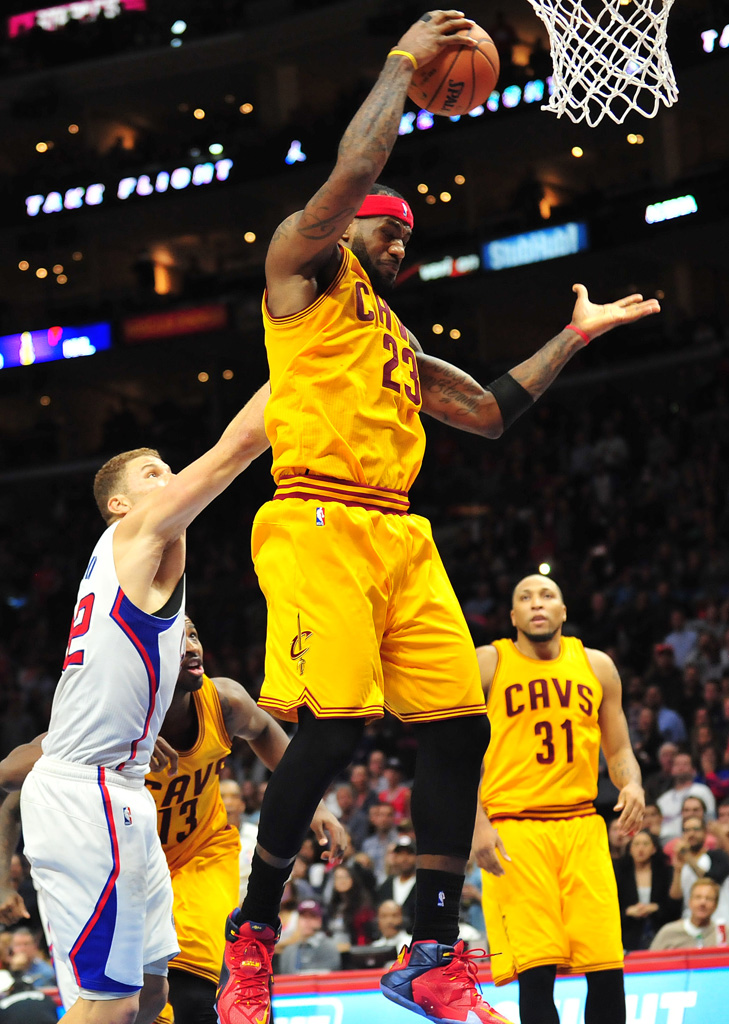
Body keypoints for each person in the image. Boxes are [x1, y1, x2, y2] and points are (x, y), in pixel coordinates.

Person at [215, 10, 660, 1024]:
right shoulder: (300, 273)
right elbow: (355, 160)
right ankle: (251, 937)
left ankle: (428, 950)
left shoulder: (396, 341)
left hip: (398, 531)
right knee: (333, 729)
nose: (400, 242)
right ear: (349, 224)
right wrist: (407, 64)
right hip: (317, 517)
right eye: (386, 227)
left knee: (461, 721)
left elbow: (489, 411)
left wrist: (574, 336)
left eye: (410, 235)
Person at [14, 383, 269, 1024]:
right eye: (155, 472)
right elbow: (237, 447)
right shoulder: (131, 536)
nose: (173, 477)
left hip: (124, 792)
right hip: (87, 792)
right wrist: (311, 348)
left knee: (154, 995)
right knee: (114, 1002)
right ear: (120, 505)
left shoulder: (148, 567)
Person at [0, 616, 344, 1024]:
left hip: (203, 850)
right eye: (177, 641)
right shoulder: (105, 724)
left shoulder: (224, 701)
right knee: (143, 1000)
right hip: (132, 866)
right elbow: (8, 786)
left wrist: (315, 805)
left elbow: (266, 731)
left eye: (195, 635)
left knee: (197, 986)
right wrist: (3, 880)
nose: (192, 646)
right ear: (145, 657)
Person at [473, 575, 645, 1024]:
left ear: (563, 611)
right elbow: (454, 753)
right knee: (537, 970)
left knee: (607, 964)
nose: (537, 604)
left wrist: (632, 784)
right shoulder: (488, 664)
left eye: (547, 596)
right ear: (512, 617)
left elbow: (620, 748)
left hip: (582, 826)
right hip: (515, 828)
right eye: (525, 598)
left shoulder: (597, 666)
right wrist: (476, 823)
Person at [614, 830, 680, 951]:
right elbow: (611, 908)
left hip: (659, 930)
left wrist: (655, 908)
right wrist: (628, 911)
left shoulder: (665, 872)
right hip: (628, 933)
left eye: (645, 844)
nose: (640, 849)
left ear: (654, 849)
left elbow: (674, 907)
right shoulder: (619, 874)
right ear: (630, 849)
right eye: (636, 844)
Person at [668, 815, 729, 923]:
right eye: (687, 830)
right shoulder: (681, 862)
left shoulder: (717, 856)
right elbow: (675, 897)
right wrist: (677, 870)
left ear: (705, 833)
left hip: (719, 921)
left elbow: (712, 881)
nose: (691, 834)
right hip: (689, 921)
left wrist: (688, 857)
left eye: (696, 829)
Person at [657, 752, 716, 839]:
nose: (681, 767)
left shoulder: (702, 791)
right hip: (665, 841)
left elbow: (710, 820)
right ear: (672, 770)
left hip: (697, 838)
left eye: (685, 764)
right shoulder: (663, 799)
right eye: (677, 764)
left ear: (694, 770)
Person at [650, 879, 722, 950]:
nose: (702, 903)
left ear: (715, 905)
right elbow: (650, 960)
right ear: (689, 902)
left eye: (709, 899)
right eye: (698, 897)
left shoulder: (723, 933)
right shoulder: (668, 932)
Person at [276, 901, 341, 975]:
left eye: (312, 917)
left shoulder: (329, 947)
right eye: (303, 917)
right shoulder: (288, 951)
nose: (307, 921)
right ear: (298, 920)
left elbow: (329, 975)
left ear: (319, 921)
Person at [376, 835, 417, 933]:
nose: (404, 859)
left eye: (409, 854)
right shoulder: (386, 885)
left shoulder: (423, 886)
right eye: (400, 854)